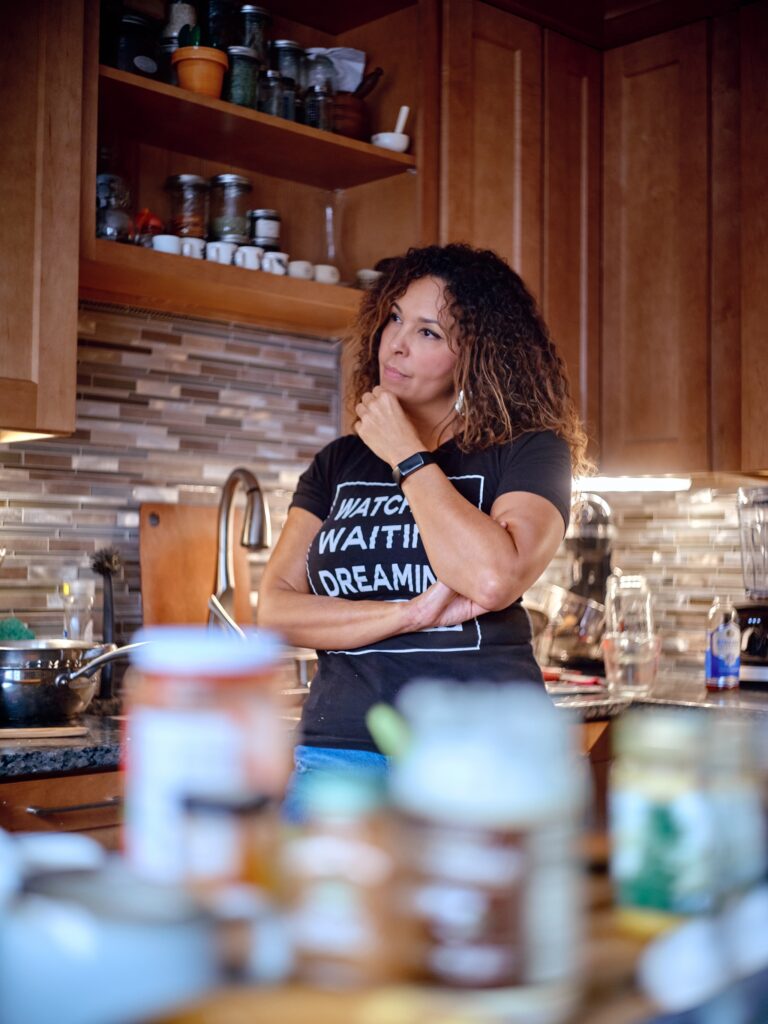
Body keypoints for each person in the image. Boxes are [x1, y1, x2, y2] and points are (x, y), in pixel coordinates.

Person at [256, 243, 590, 814]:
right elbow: (275, 611)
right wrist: (405, 614)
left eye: (430, 332)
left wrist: (408, 456)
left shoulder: (531, 452)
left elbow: (491, 579)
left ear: (477, 354)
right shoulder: (339, 462)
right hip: (344, 750)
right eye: (394, 318)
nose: (397, 342)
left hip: (483, 752)